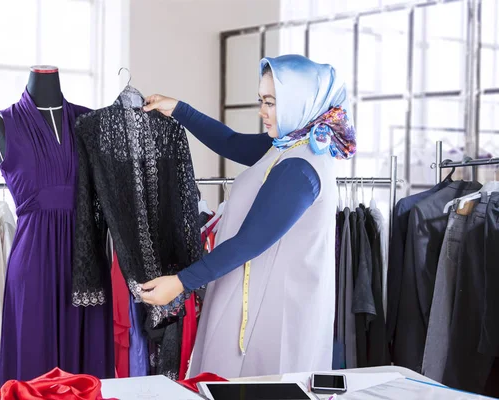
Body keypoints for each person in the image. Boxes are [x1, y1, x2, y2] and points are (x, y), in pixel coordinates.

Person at [140, 54, 356, 378]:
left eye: (270, 102)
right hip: (249, 292)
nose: (262, 112)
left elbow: (248, 242)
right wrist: (179, 109)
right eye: (261, 100)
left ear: (300, 101)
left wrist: (180, 283)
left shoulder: (301, 168)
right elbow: (231, 142)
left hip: (272, 310)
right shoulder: (289, 144)